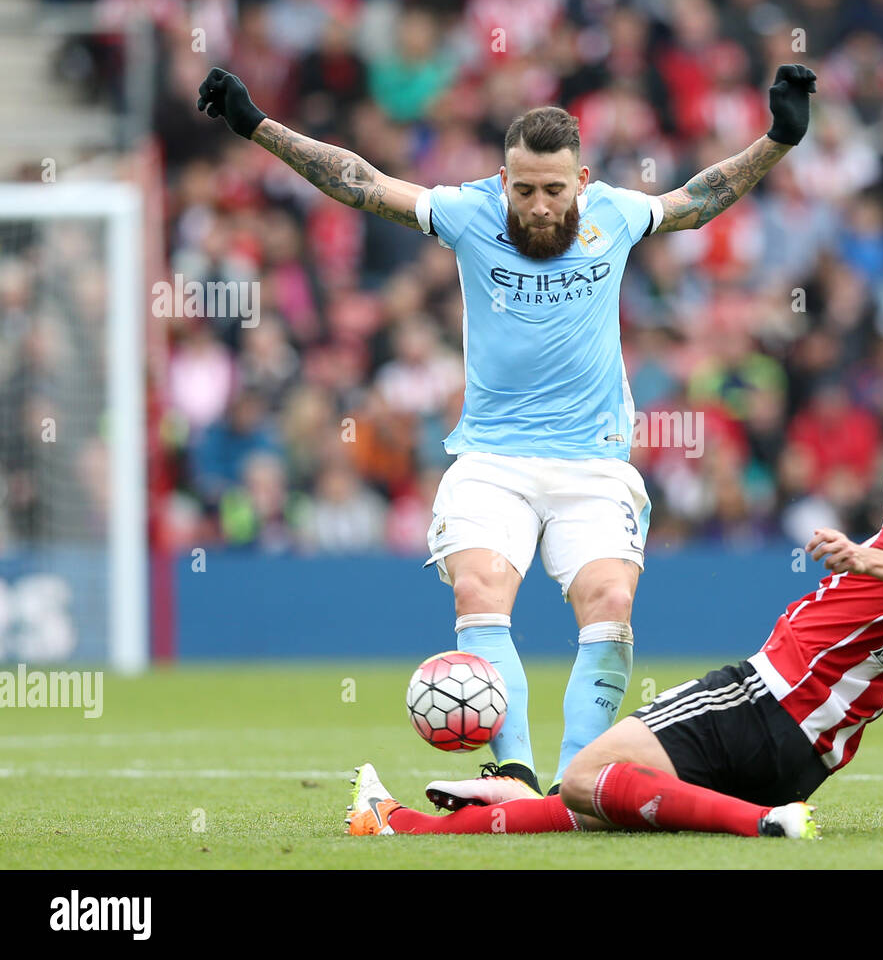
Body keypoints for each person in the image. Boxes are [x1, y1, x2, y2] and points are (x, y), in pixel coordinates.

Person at [196, 62, 818, 800]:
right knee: (480, 589)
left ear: (581, 180)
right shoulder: (468, 213)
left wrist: (778, 138)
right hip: (491, 459)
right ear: (502, 179)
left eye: (555, 190)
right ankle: (515, 770)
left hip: (595, 462)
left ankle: (577, 783)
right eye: (524, 189)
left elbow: (699, 197)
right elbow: (359, 182)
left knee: (610, 602)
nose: (540, 206)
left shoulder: (614, 215)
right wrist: (257, 125)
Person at [344, 419, 883, 838]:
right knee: (599, 804)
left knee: (586, 774)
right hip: (809, 761)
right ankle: (397, 823)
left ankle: (765, 825)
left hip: (760, 700)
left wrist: (861, 552)